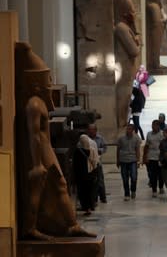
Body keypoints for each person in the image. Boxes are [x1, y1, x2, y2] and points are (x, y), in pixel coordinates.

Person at [15, 42, 94, 239]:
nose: (49, 85)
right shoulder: (33, 104)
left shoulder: (39, 102)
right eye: (46, 83)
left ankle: (71, 224)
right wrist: (35, 164)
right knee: (37, 190)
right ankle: (30, 228)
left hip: (45, 149)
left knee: (60, 185)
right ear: (35, 85)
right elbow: (33, 134)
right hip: (39, 152)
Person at [114, 0, 141, 127]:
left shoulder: (124, 28)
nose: (134, 14)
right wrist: (138, 42)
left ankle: (122, 122)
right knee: (123, 100)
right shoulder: (121, 28)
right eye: (132, 12)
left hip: (126, 70)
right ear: (125, 13)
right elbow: (134, 51)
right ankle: (120, 124)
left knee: (125, 100)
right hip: (123, 70)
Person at [73, 135, 99, 216]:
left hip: (81, 176)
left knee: (82, 192)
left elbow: (75, 165)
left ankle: (86, 207)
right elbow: (95, 162)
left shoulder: (77, 151)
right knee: (90, 191)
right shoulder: (92, 150)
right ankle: (91, 206)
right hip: (90, 174)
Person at [116, 124, 142, 201]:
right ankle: (126, 194)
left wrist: (138, 160)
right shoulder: (121, 138)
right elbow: (118, 149)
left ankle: (133, 190)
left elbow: (137, 150)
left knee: (134, 177)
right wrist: (117, 160)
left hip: (133, 160)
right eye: (127, 129)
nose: (128, 130)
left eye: (130, 129)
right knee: (125, 178)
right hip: (123, 160)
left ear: (133, 130)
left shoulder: (136, 138)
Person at [86, 124, 108, 204]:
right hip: (89, 164)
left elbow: (105, 147)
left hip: (98, 162)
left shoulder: (100, 138)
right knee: (92, 182)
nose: (91, 131)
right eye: (89, 130)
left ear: (95, 130)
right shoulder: (86, 139)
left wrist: (99, 150)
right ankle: (94, 199)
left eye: (92, 130)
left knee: (100, 180)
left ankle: (103, 197)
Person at [143, 120, 165, 197]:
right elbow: (146, 146)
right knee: (153, 175)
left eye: (155, 125)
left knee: (161, 174)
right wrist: (144, 157)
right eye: (152, 125)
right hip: (151, 157)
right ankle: (154, 190)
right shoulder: (149, 134)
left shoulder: (162, 134)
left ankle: (161, 186)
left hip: (159, 157)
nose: (153, 127)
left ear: (158, 126)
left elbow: (164, 146)